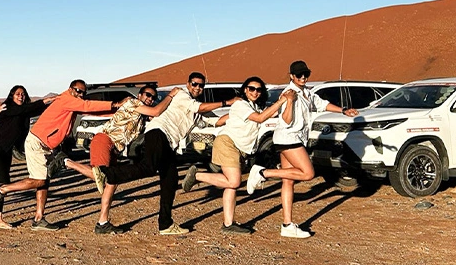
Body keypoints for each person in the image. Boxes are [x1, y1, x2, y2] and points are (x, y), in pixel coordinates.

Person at [98, 72, 227, 235]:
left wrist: (240, 114)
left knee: (170, 179)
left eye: (201, 85)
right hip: (159, 133)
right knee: (148, 167)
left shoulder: (194, 109)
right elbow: (198, 107)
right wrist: (226, 101)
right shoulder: (181, 94)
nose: (197, 87)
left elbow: (213, 120)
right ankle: (107, 173)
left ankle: (165, 224)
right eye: (194, 84)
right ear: (188, 84)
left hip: (168, 142)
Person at [244, 60, 358, 238]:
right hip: (289, 138)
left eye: (306, 74)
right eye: (299, 75)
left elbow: (322, 104)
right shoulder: (289, 93)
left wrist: (343, 111)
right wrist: (289, 102)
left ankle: (287, 225)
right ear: (291, 76)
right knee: (307, 173)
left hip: (294, 138)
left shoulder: (307, 92)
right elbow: (287, 120)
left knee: (288, 181)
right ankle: (263, 173)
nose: (303, 77)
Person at [0, 80, 122, 231]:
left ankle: (39, 218)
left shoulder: (73, 102)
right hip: (38, 142)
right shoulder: (66, 99)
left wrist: (117, 111)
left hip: (48, 145)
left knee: (45, 181)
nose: (80, 95)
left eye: (83, 92)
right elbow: (87, 105)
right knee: (39, 180)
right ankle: (2, 189)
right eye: (78, 91)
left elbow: (90, 110)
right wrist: (114, 104)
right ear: (70, 89)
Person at [181, 77, 292, 234]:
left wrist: (285, 104)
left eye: (259, 89)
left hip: (239, 149)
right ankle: (197, 175)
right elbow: (260, 119)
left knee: (230, 184)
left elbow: (227, 119)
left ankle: (228, 224)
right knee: (234, 181)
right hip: (228, 144)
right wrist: (280, 101)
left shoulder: (253, 107)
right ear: (245, 90)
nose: (255, 92)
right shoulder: (240, 104)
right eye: (251, 88)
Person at [63, 84, 173, 234]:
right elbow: (157, 111)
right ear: (140, 95)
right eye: (148, 95)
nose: (150, 99)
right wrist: (171, 95)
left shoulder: (141, 116)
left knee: (111, 182)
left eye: (153, 97)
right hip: (105, 140)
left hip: (114, 148)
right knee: (100, 175)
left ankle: (103, 222)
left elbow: (155, 115)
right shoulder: (133, 103)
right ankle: (65, 161)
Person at [0, 85, 55, 230]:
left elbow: (34, 110)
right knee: (3, 182)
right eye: (17, 94)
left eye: (23, 94)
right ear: (12, 95)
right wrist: (45, 100)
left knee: (3, 182)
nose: (20, 96)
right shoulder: (7, 108)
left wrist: (55, 104)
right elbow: (27, 108)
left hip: (6, 151)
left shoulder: (24, 114)